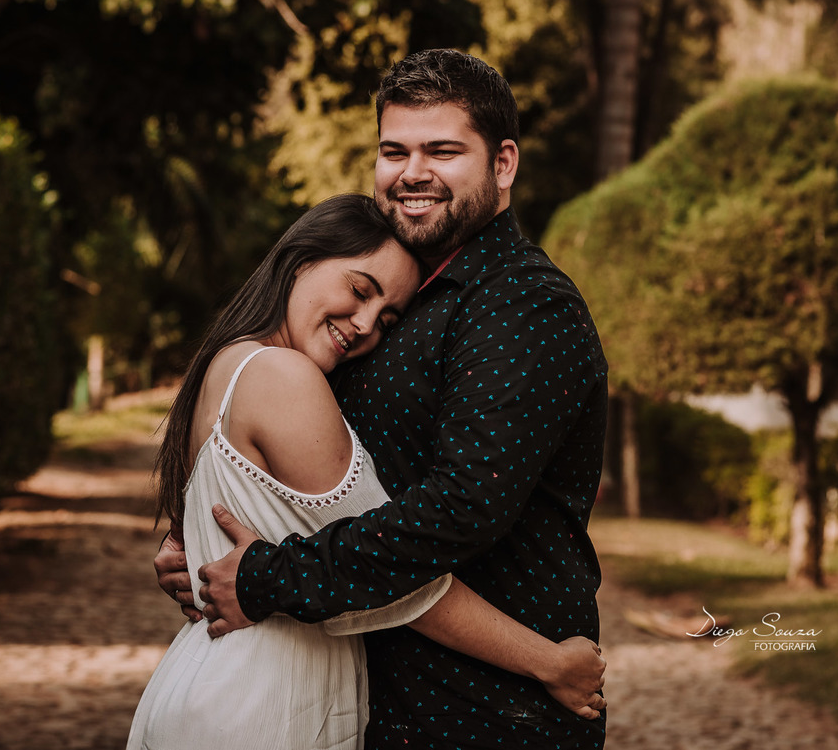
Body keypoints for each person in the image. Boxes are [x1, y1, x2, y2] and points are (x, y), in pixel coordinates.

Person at [165, 50, 610, 749]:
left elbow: (461, 507)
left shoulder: (523, 303)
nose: (412, 171)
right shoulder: (398, 300)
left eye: (442, 150)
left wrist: (268, 576)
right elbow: (293, 470)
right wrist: (193, 545)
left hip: (488, 713)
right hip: (383, 697)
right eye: (394, 150)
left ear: (503, 164)